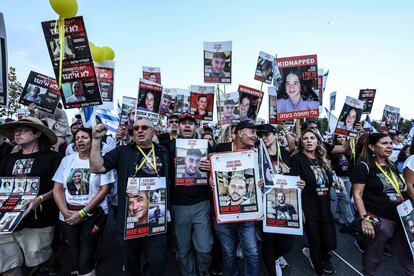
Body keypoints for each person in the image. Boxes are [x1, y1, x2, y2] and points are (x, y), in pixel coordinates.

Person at [90, 117, 170, 276]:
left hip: (157, 216)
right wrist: (96, 140)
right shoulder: (122, 152)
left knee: (157, 260)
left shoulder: (164, 152)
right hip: (130, 218)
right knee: (131, 262)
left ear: (153, 131)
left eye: (144, 127)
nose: (140, 130)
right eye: (136, 128)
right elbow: (96, 167)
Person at [0, 116, 63, 276]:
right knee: (10, 265)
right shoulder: (8, 159)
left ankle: (52, 263)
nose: (17, 133)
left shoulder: (53, 158)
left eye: (23, 130)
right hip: (7, 222)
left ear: (37, 134)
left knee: (38, 261)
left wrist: (40, 199)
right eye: (15, 131)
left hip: (38, 221)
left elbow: (60, 188)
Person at [351, 133, 414, 276]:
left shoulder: (390, 166)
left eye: (391, 143)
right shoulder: (363, 166)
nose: (389, 146)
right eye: (384, 143)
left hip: (401, 218)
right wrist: (365, 219)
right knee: (374, 255)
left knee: (407, 254)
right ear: (372, 147)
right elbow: (357, 195)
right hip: (380, 218)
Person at [53, 127, 113, 276]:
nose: (80, 140)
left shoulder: (101, 160)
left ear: (93, 140)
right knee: (74, 253)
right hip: (68, 216)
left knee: (84, 257)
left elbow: (105, 189)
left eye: (85, 137)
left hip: (93, 215)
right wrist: (64, 211)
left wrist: (83, 212)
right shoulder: (67, 160)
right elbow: (58, 189)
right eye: (77, 138)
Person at [162, 113, 213, 276]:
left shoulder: (206, 145)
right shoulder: (169, 146)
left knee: (205, 248)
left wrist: (210, 168)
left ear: (196, 127)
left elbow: (218, 168)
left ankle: (203, 270)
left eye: (191, 123)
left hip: (201, 204)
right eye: (183, 123)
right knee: (183, 249)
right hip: (178, 206)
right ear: (178, 127)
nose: (187, 126)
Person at [212, 121, 262, 276]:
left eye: (256, 133)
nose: (255, 136)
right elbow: (209, 171)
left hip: (247, 213)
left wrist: (261, 181)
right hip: (224, 213)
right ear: (239, 132)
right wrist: (210, 179)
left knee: (252, 253)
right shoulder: (220, 149)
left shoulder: (256, 153)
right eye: (251, 132)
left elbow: (266, 176)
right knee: (228, 253)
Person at [290, 128, 336, 275]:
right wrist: (299, 209)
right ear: (301, 142)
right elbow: (292, 185)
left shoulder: (322, 158)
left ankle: (318, 255)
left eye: (312, 138)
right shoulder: (297, 159)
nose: (309, 141)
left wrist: (336, 181)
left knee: (329, 242)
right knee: (315, 241)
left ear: (318, 141)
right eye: (305, 138)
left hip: (324, 206)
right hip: (308, 207)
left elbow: (328, 179)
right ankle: (318, 269)